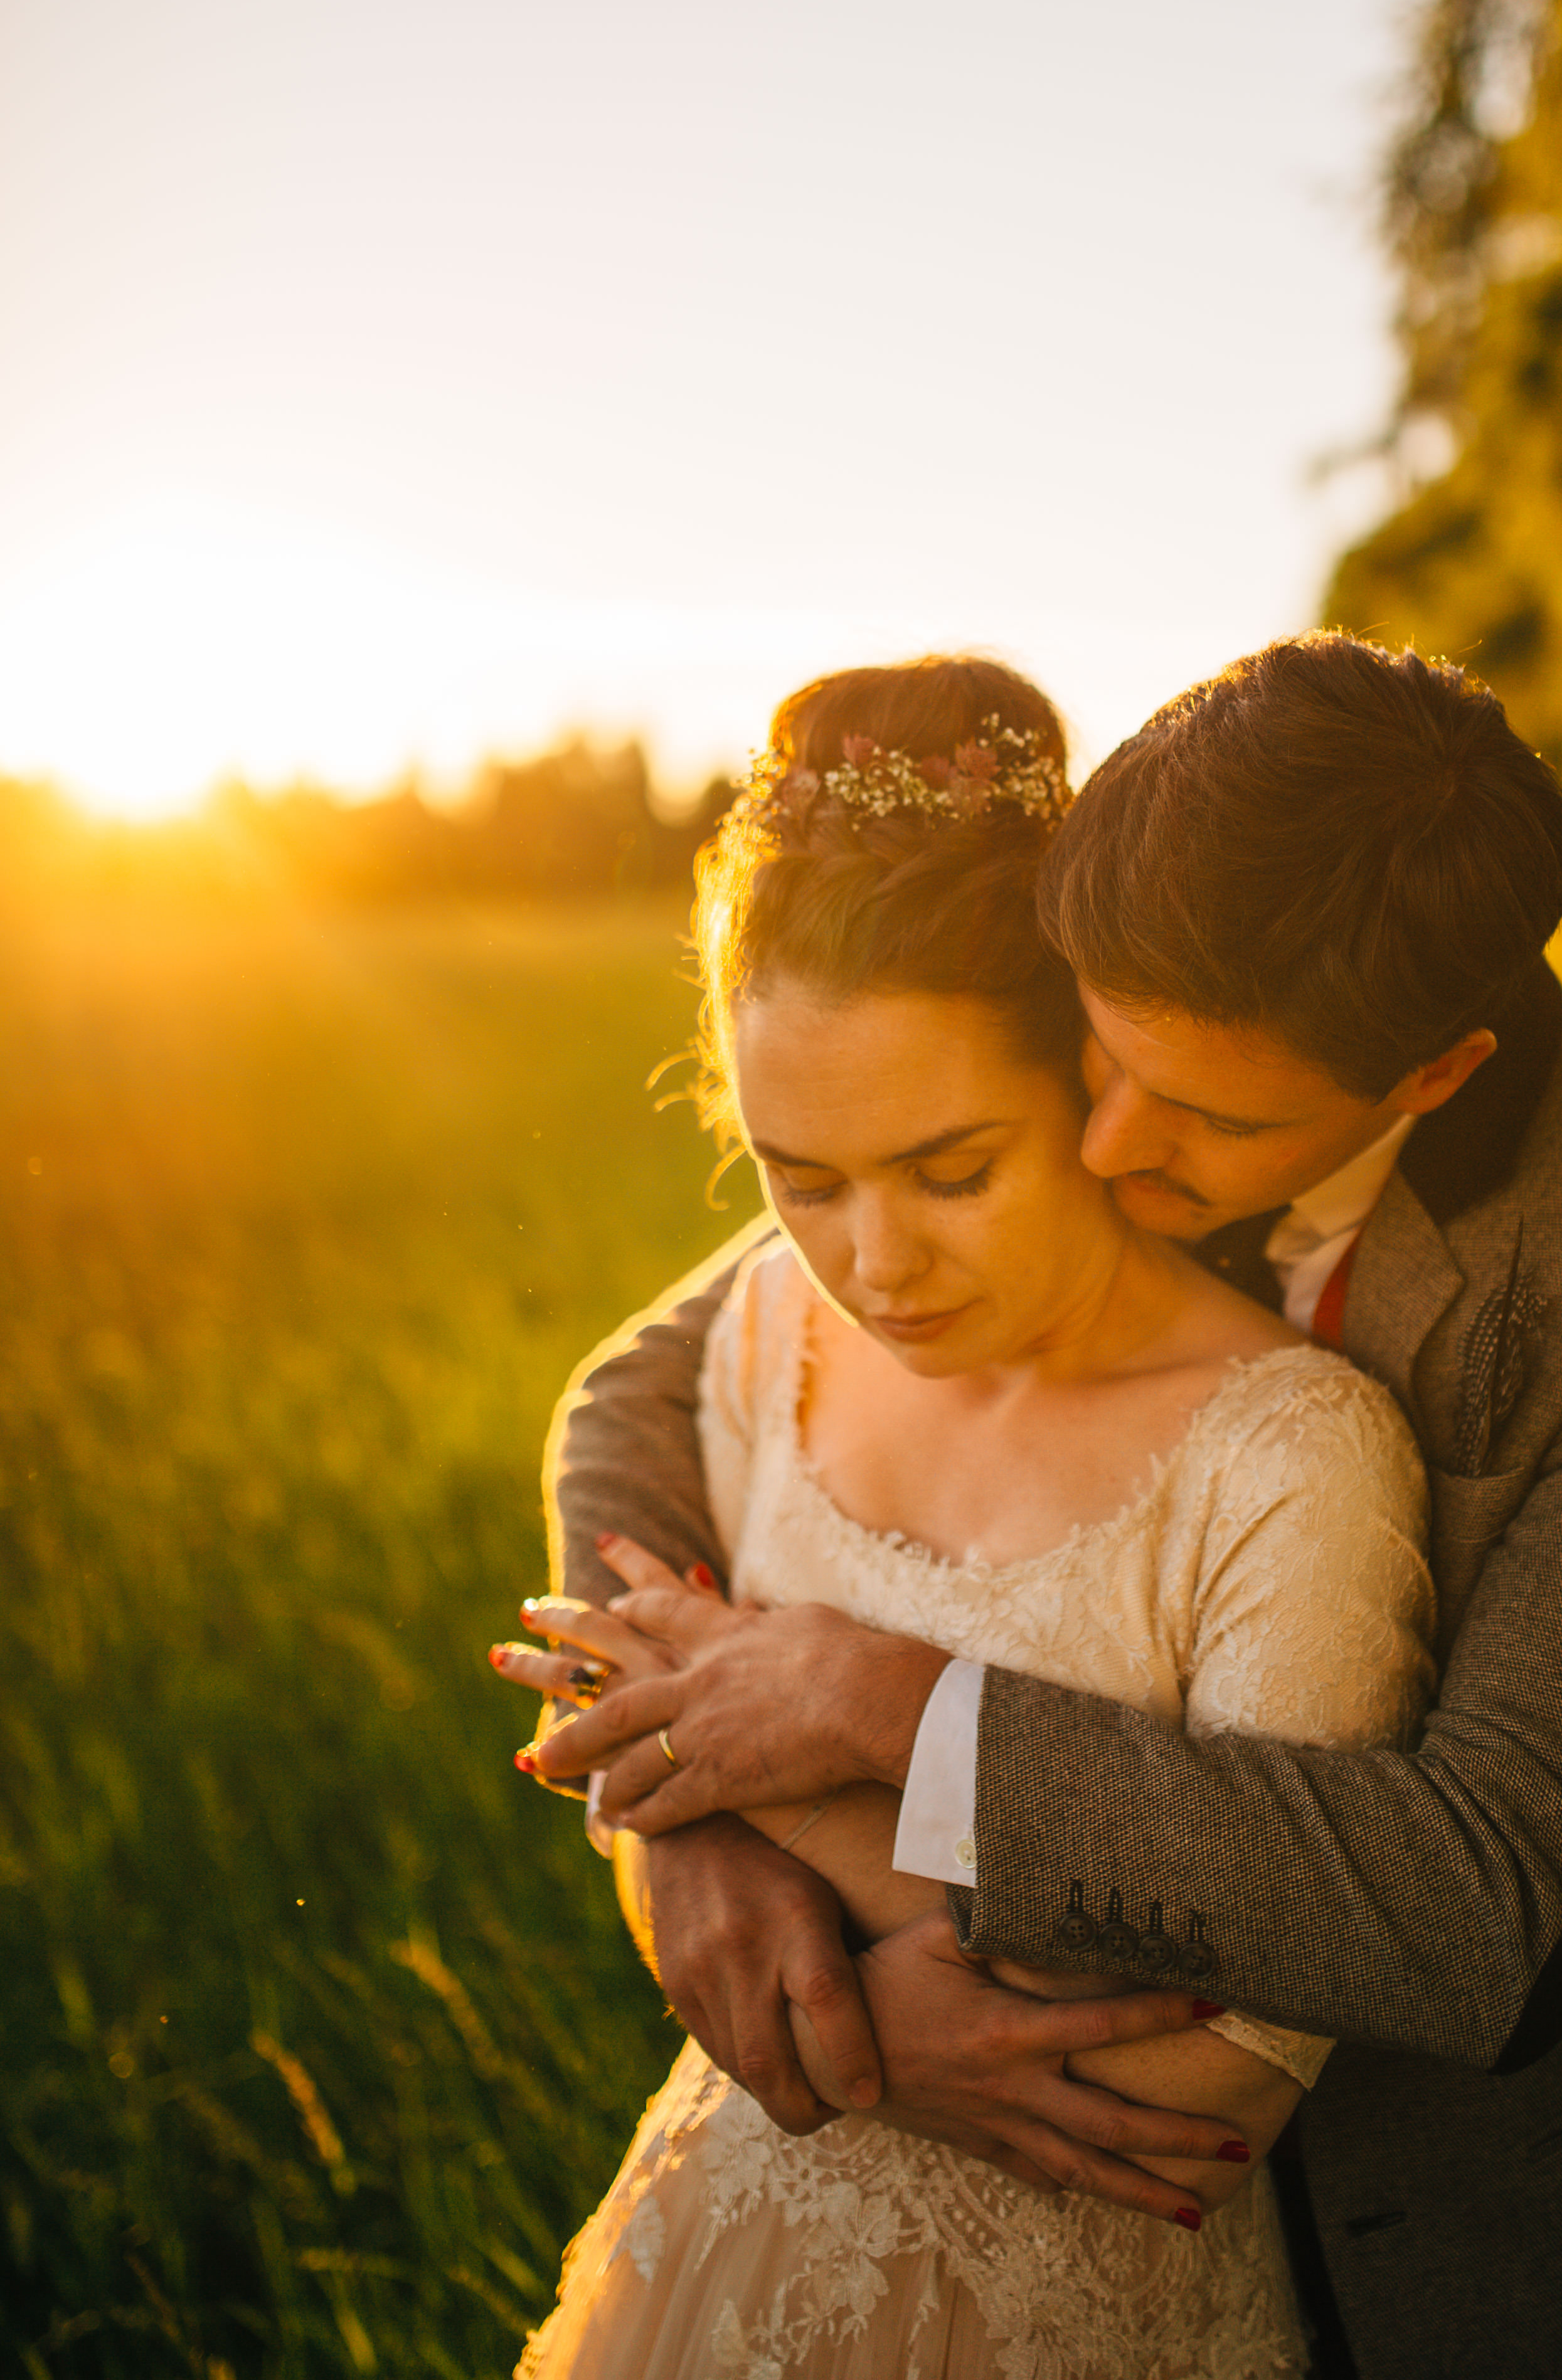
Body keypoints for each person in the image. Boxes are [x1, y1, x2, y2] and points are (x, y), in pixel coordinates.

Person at [533, 634, 1562, 2380]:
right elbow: (637, 1395)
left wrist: (872, 1710)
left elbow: (1483, 1900)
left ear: (1427, 1076)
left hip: (1477, 2212)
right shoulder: (1078, 1024)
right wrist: (689, 1832)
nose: (1098, 1146)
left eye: (1199, 1115)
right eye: (1089, 1056)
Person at [496, 654, 1436, 2376]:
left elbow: (1215, 2077)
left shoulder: (1291, 1462)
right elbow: (646, 1748)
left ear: (1094, 1079)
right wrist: (749, 1857)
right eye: (801, 1180)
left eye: (952, 1169)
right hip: (721, 2268)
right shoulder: (768, 1336)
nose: (876, 1264)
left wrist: (811, 1861)